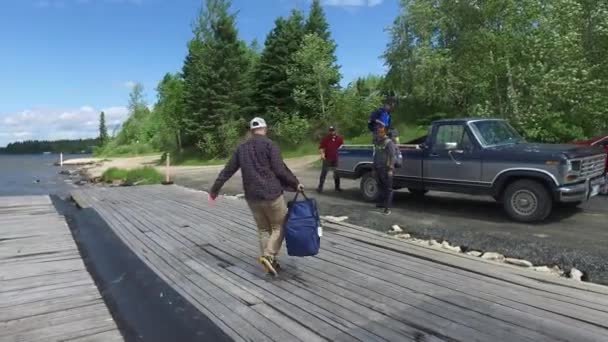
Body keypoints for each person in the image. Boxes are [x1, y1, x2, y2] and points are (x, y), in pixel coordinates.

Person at [209, 117, 304, 276]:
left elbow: (227, 170)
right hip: (271, 194)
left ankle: (269, 264)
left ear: (251, 131)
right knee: (280, 225)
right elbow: (280, 169)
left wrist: (214, 190)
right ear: (265, 129)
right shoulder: (269, 145)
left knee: (263, 229)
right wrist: (295, 184)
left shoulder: (241, 149)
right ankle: (269, 255)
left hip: (252, 197)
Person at [373, 127, 396, 215]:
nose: (379, 133)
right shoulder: (378, 142)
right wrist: (374, 168)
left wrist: (390, 169)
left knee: (388, 188)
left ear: (385, 133)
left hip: (386, 169)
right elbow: (375, 156)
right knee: (381, 186)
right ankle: (381, 203)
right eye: (378, 132)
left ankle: (388, 208)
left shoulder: (389, 143)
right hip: (378, 168)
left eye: (381, 132)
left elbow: (392, 156)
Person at [317, 126, 344, 193]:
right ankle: (320, 188)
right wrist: (322, 154)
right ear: (329, 131)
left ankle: (337, 187)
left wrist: (341, 156)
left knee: (336, 173)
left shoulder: (339, 139)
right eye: (330, 130)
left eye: (333, 130)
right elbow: (321, 147)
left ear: (335, 131)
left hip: (336, 158)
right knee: (324, 173)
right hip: (327, 158)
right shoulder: (326, 139)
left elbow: (342, 147)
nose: (332, 132)